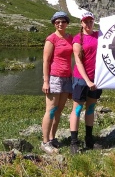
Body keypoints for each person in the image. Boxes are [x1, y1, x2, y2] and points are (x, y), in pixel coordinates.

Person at [69, 11, 102, 154]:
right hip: (81, 79)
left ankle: (89, 139)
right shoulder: (77, 39)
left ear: (93, 22)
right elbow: (78, 62)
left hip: (97, 79)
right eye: (85, 21)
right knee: (77, 109)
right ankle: (74, 142)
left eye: (90, 21)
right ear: (81, 23)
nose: (88, 24)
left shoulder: (99, 35)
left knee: (91, 108)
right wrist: (87, 81)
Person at [41, 11, 73, 154]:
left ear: (67, 23)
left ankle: (52, 138)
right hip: (54, 77)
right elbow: (46, 61)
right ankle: (45, 142)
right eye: (57, 22)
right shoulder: (51, 39)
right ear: (54, 24)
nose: (60, 24)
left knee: (59, 110)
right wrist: (46, 81)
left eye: (63, 21)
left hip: (67, 78)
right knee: (51, 110)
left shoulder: (70, 38)